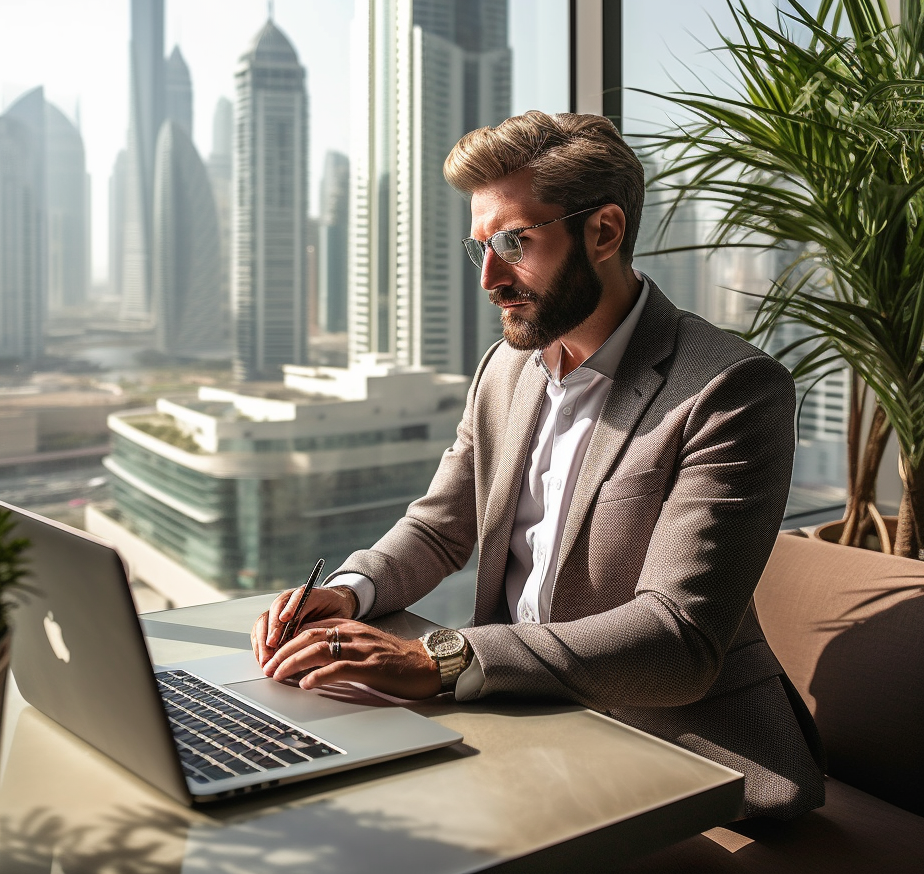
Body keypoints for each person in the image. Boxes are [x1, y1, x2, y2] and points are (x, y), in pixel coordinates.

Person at [252, 111, 825, 821]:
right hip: (517, 724)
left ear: (605, 232)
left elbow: (678, 636)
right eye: (481, 248)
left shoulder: (729, 388)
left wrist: (442, 658)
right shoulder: (506, 368)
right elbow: (439, 528)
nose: (490, 277)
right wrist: (350, 590)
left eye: (515, 243)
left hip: (675, 753)